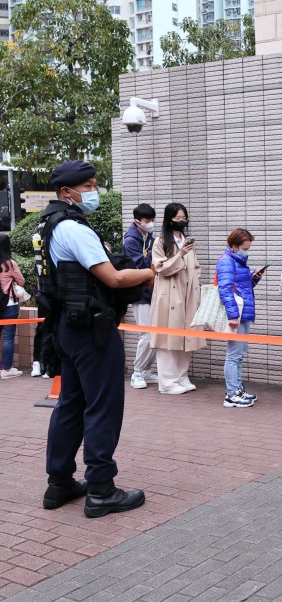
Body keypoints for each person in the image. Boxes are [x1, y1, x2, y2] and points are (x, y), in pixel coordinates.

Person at [36, 160, 151, 517]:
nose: (94, 191)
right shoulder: (74, 228)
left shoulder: (48, 225)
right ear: (67, 192)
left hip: (67, 327)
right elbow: (113, 279)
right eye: (88, 185)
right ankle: (101, 489)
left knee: (70, 403)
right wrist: (152, 272)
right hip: (91, 329)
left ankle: (60, 483)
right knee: (102, 404)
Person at [150, 203, 206, 394]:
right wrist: (180, 255)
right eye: (177, 218)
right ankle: (167, 382)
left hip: (188, 294)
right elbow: (160, 267)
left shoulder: (187, 241)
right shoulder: (160, 241)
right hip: (169, 295)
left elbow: (195, 266)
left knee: (186, 337)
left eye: (184, 218)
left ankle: (182, 377)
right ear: (169, 219)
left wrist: (195, 285)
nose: (181, 221)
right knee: (167, 338)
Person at [216, 228, 265, 408]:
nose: (246, 251)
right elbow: (225, 290)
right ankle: (231, 394)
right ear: (234, 246)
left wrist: (254, 278)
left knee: (239, 355)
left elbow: (241, 287)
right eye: (245, 248)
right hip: (237, 314)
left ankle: (237, 389)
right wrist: (233, 315)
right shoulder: (227, 262)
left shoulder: (238, 260)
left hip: (242, 313)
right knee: (234, 354)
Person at [124, 203, 157, 389]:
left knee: (155, 333)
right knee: (146, 334)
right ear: (137, 221)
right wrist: (154, 253)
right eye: (147, 221)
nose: (150, 224)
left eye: (152, 220)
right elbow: (140, 265)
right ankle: (137, 373)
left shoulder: (149, 237)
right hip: (140, 292)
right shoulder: (131, 240)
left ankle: (146, 371)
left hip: (152, 291)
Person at [0, 233, 26, 378]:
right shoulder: (9, 264)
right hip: (9, 303)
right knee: (8, 337)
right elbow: (21, 281)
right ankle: (7, 370)